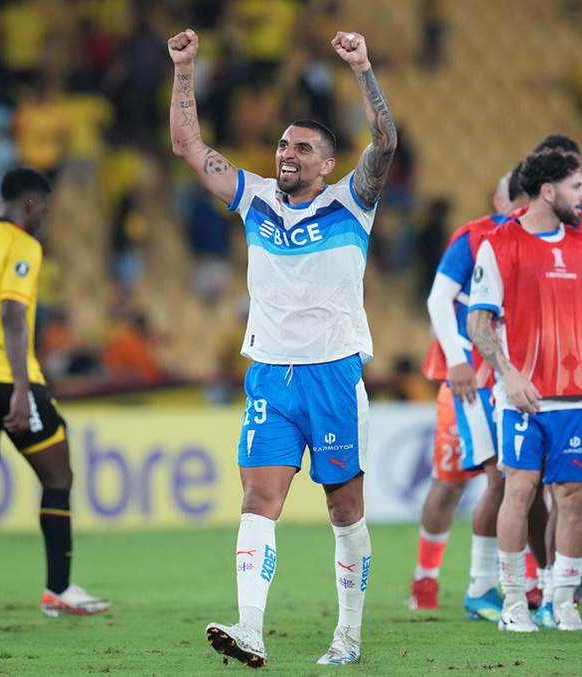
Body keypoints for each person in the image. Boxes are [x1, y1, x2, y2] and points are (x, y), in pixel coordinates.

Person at [168, 28, 397, 668]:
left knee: (344, 510)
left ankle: (347, 636)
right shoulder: (255, 199)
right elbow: (187, 144)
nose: (286, 153)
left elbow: (385, 143)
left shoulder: (352, 202)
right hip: (270, 375)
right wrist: (185, 68)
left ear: (327, 164)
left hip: (333, 375)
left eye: (302, 147)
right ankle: (249, 630)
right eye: (281, 143)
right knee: (258, 500)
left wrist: (363, 68)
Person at [0, 167, 110, 620]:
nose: (46, 219)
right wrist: (21, 388)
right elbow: (14, 314)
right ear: (32, 205)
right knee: (58, 477)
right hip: (5, 376)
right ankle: (58, 588)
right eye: (46, 210)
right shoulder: (23, 244)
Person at [467, 147, 582, 632]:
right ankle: (514, 602)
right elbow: (477, 323)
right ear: (549, 191)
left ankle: (563, 602)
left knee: (574, 497)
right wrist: (508, 374)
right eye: (578, 186)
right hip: (523, 396)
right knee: (521, 490)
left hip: (575, 396)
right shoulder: (500, 243)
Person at [409, 166, 529, 619]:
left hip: (513, 377)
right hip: (467, 381)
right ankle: (426, 579)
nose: (503, 206)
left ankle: (523, 581)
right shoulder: (475, 237)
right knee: (451, 481)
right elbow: (439, 301)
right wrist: (458, 360)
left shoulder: (542, 240)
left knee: (521, 478)